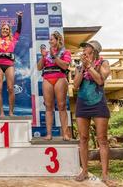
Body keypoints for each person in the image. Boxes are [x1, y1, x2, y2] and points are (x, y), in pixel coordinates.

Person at [74, 40, 113, 185]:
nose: (84, 50)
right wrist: (83, 68)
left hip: (98, 103)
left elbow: (100, 81)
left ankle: (105, 174)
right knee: (83, 138)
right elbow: (76, 85)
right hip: (82, 104)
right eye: (84, 48)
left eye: (87, 47)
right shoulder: (79, 65)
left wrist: (89, 66)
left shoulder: (103, 63)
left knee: (102, 139)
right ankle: (84, 171)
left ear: (94, 50)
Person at [37, 31, 71, 141]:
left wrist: (55, 56)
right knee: (48, 106)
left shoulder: (65, 52)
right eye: (49, 39)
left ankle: (65, 133)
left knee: (61, 106)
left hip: (60, 78)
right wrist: (43, 57)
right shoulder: (46, 53)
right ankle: (49, 134)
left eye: (52, 39)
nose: (49, 41)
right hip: (47, 78)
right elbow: (39, 67)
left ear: (57, 40)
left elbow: (65, 66)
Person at [0, 9, 22, 116]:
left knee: (10, 88)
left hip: (9, 65)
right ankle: (2, 113)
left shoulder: (13, 39)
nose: (5, 30)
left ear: (9, 31)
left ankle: (11, 112)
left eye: (7, 29)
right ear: (1, 30)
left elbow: (19, 30)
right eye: (3, 28)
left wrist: (20, 18)